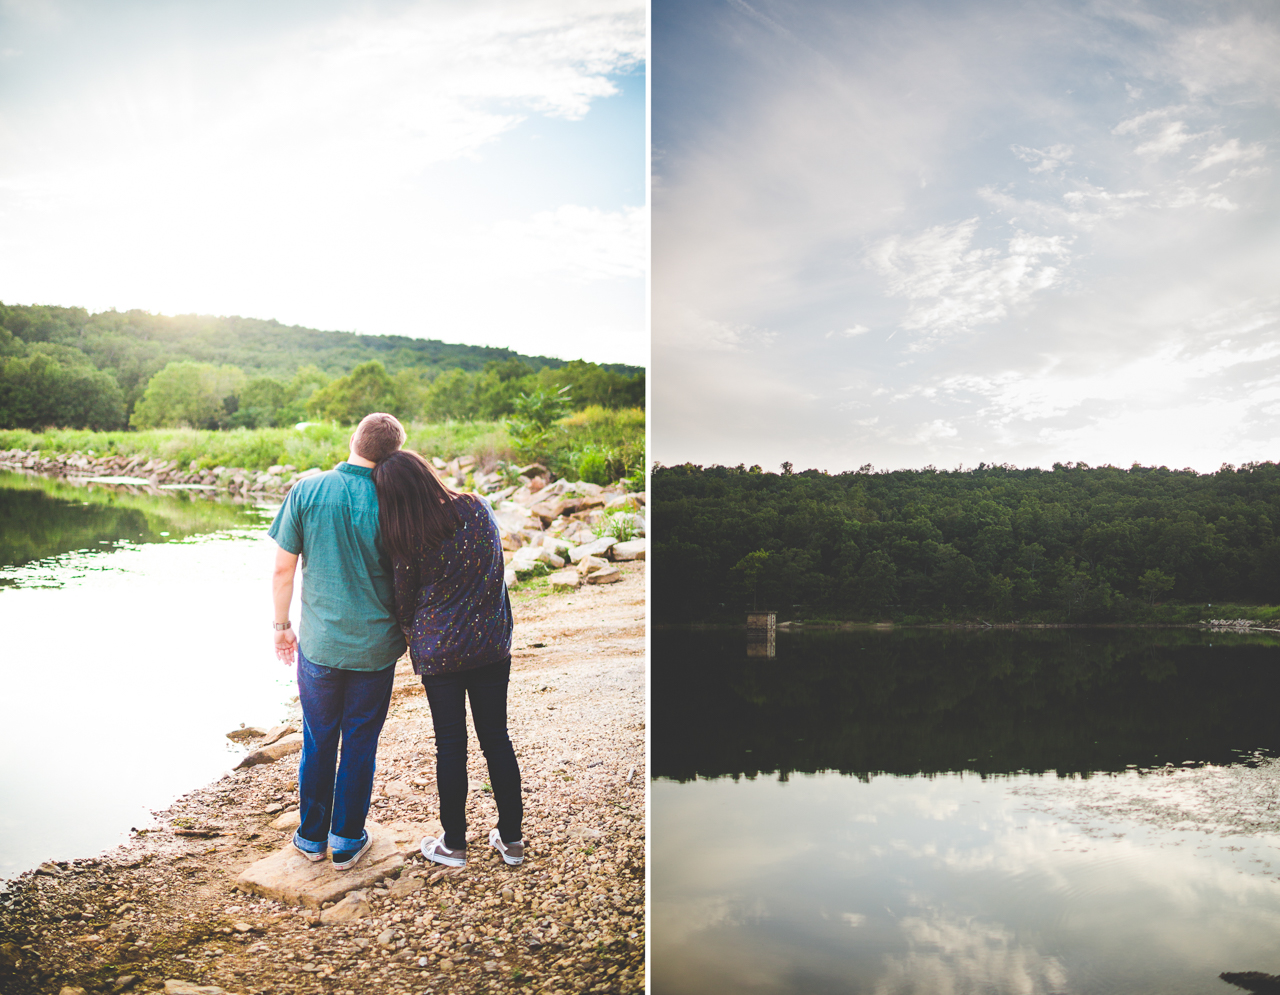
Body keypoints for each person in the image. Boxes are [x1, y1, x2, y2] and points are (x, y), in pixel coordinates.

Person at [371, 448, 523, 868]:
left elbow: (404, 600)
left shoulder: (407, 534)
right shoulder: (476, 507)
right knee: (496, 738)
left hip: (441, 653)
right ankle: (511, 840)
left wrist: (409, 632)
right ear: (426, 473)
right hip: (491, 643)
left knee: (450, 746)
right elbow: (495, 566)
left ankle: (454, 844)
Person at [269, 412, 407, 869]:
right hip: (375, 647)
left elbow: (283, 569)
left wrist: (281, 626)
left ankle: (310, 838)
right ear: (393, 454)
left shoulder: (307, 489)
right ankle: (346, 840)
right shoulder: (396, 500)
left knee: (318, 738)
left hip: (321, 646)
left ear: (354, 439)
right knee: (361, 742)